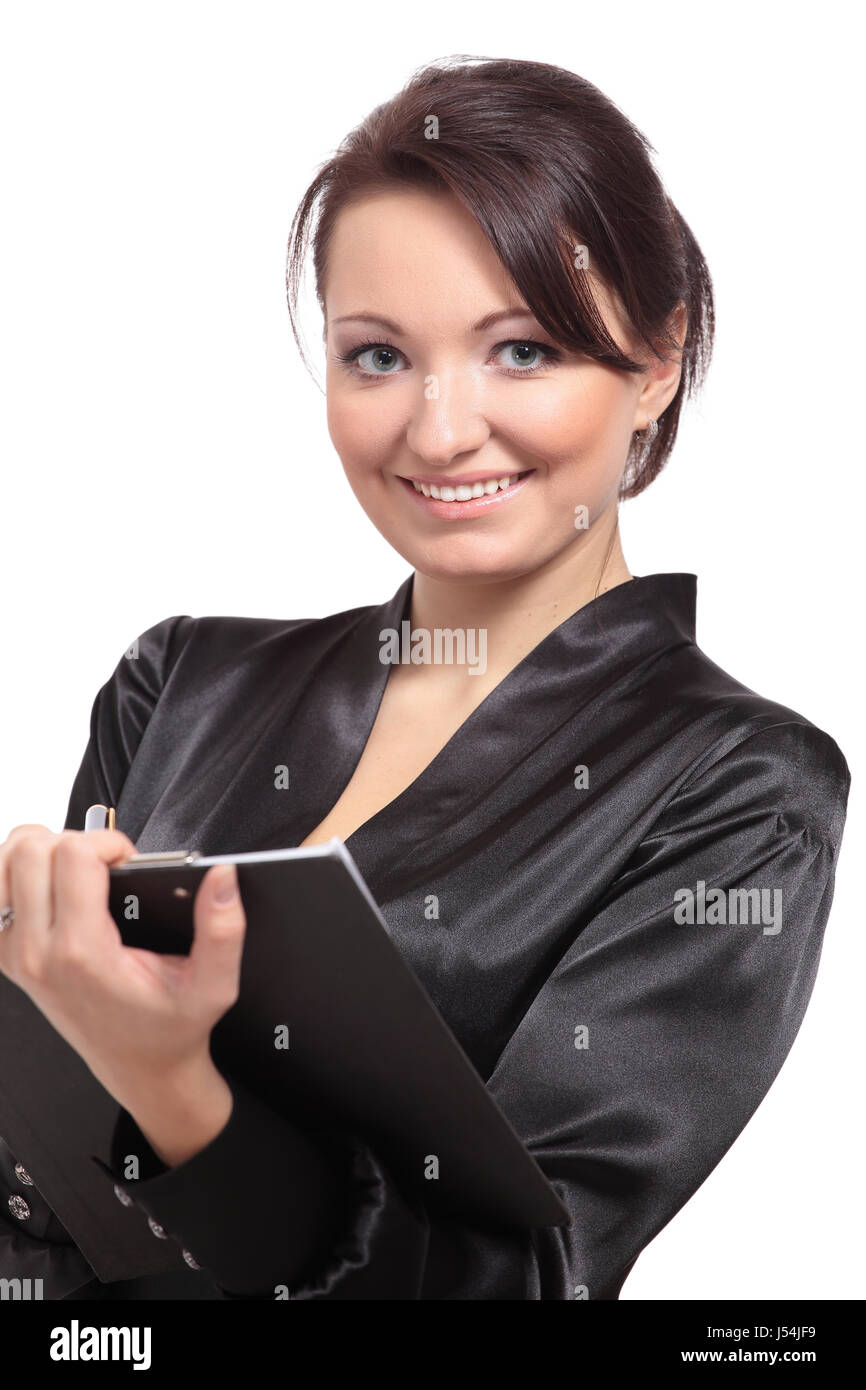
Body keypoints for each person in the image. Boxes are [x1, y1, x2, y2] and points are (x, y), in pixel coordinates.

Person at [0, 55, 850, 1301]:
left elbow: (516, 1280)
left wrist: (174, 1089)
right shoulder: (178, 679)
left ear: (655, 360)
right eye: (379, 357)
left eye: (521, 350)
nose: (441, 430)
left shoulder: (738, 789)